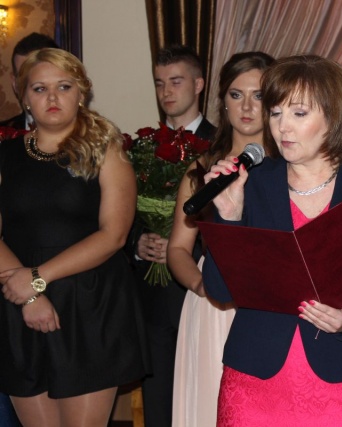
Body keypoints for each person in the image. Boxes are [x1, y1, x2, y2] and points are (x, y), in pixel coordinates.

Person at [201, 54, 342, 426]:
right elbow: (219, 290)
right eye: (276, 113)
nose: (282, 127)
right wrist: (229, 216)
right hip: (255, 384)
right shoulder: (251, 184)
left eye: (299, 113)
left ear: (333, 117)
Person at [0, 48, 149, 426]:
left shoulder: (107, 150)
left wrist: (37, 279)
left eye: (64, 86)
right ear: (24, 96)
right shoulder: (4, 155)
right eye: (39, 88)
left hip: (90, 304)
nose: (52, 97)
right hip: (18, 299)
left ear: (81, 92)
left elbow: (114, 236)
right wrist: (29, 294)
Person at [167, 50, 274, 426]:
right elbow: (178, 248)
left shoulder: (292, 167)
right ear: (223, 100)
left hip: (274, 301)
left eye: (258, 95)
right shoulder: (200, 170)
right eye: (235, 94)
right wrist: (202, 286)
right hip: (215, 305)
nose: (246, 106)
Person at [129, 44, 216, 427]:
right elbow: (120, 214)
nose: (166, 91)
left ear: (198, 84)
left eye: (176, 81)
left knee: (208, 399)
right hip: (152, 299)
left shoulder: (220, 145)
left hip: (203, 292)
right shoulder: (140, 148)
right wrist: (138, 244)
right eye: (159, 83)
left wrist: (183, 248)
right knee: (159, 405)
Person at [0, 32, 59, 130]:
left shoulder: (85, 134)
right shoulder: (4, 134)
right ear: (15, 84)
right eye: (24, 77)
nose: (32, 84)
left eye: (41, 76)